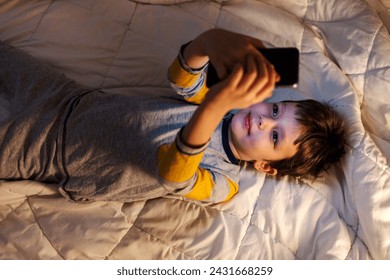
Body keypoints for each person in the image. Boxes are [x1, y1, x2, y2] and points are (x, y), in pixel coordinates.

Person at [0, 28, 346, 203]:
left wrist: (214, 107)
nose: (262, 121)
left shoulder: (223, 183)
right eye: (274, 110)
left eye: (274, 136)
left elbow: (174, 176)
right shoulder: (218, 101)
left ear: (266, 167)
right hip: (68, 100)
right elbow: (183, 79)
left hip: (51, 153)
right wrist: (208, 42)